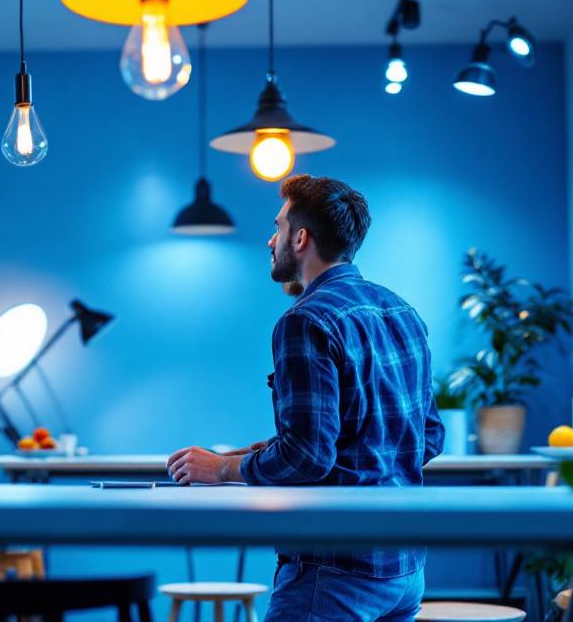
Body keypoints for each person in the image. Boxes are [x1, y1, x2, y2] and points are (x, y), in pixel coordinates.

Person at [167, 174, 444, 621]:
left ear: (300, 238)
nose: (269, 239)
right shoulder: (402, 312)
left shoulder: (305, 321)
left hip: (333, 575)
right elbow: (427, 437)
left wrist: (221, 467)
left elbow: (308, 457)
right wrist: (260, 453)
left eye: (277, 227)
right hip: (404, 571)